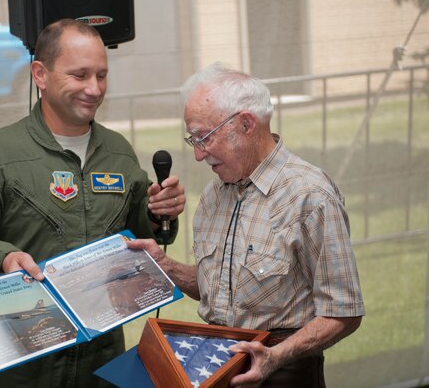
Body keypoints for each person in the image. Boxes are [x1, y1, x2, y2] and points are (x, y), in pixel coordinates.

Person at [0, 18, 185, 388]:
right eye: (79, 75)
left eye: (101, 75)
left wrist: (159, 213)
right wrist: (2, 257)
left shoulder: (118, 153)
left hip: (100, 357)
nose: (94, 89)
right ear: (40, 74)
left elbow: (140, 236)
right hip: (22, 362)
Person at [127, 63, 365, 387]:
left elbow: (343, 311)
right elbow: (219, 289)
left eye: (204, 137)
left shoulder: (310, 196)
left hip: (285, 373)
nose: (198, 155)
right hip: (217, 366)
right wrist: (164, 264)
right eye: (192, 139)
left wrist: (276, 357)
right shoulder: (214, 193)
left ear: (246, 124)